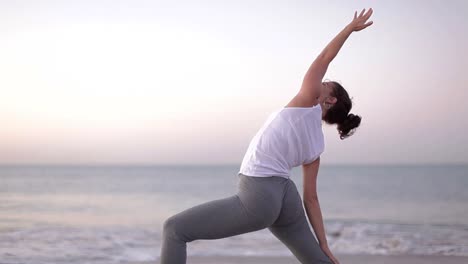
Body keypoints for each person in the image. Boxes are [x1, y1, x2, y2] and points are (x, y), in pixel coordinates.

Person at [160, 8, 373, 264]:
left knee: (174, 229)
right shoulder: (317, 144)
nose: (321, 81)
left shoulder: (306, 102)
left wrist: (349, 28)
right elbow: (311, 199)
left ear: (329, 99)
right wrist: (324, 245)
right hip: (285, 195)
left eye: (326, 83)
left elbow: (326, 56)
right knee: (318, 261)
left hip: (259, 193)